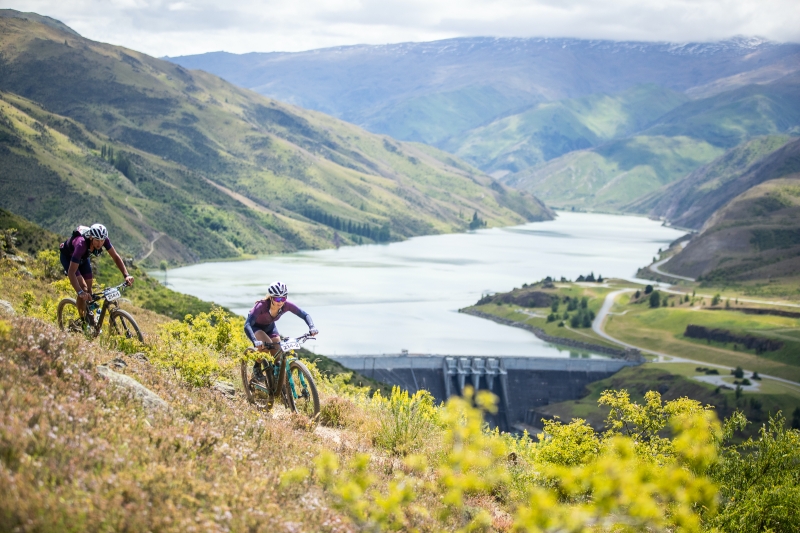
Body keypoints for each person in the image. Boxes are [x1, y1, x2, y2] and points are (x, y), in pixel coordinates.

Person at [244, 281, 318, 383]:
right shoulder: (261, 306)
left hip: (270, 327)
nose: (280, 302)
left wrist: (312, 327)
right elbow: (247, 325)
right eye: (277, 298)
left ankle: (275, 383)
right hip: (255, 327)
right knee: (266, 346)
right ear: (271, 298)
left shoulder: (286, 305)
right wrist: (254, 341)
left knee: (278, 355)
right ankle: (257, 366)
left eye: (283, 298)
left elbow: (304, 314)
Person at [59, 224, 134, 323]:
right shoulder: (81, 244)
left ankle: (89, 314)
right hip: (69, 258)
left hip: (83, 258)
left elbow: (115, 256)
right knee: (83, 288)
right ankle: (84, 322)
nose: (100, 243)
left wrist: (126, 275)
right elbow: (71, 272)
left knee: (89, 290)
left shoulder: (104, 240)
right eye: (97, 240)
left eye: (102, 240)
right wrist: (80, 292)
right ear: (91, 237)